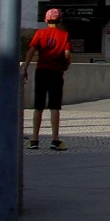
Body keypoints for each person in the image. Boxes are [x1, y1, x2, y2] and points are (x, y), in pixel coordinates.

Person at [23, 8, 73, 150]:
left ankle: (34, 139)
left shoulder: (40, 34)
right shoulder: (64, 35)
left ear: (46, 20)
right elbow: (67, 55)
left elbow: (31, 51)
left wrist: (25, 68)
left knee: (38, 106)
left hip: (41, 72)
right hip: (56, 73)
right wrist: (66, 65)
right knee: (54, 106)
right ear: (59, 20)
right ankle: (55, 139)